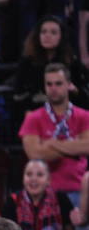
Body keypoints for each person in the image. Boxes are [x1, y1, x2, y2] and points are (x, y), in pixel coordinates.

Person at [19, 64, 89, 198]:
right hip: (44, 193)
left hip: (79, 191)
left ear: (69, 85)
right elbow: (35, 154)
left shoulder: (84, 116)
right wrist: (75, 146)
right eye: (49, 84)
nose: (53, 89)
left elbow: (87, 146)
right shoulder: (33, 118)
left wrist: (51, 143)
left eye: (58, 84)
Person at [13, 16, 88, 118]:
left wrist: (74, 90)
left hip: (68, 114)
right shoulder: (27, 62)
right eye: (43, 32)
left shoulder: (71, 61)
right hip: (35, 114)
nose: (47, 36)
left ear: (61, 37)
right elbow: (19, 94)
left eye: (53, 32)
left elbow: (83, 94)